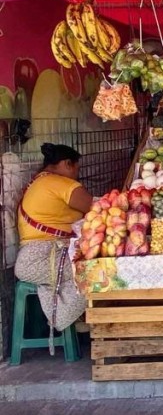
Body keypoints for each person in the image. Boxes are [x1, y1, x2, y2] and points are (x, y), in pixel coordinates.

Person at [15, 143, 93, 337]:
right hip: (43, 258)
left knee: (77, 273)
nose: (77, 174)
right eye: (77, 168)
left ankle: (74, 318)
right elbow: (95, 208)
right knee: (97, 270)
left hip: (31, 261)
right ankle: (66, 318)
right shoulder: (60, 183)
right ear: (67, 164)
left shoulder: (39, 182)